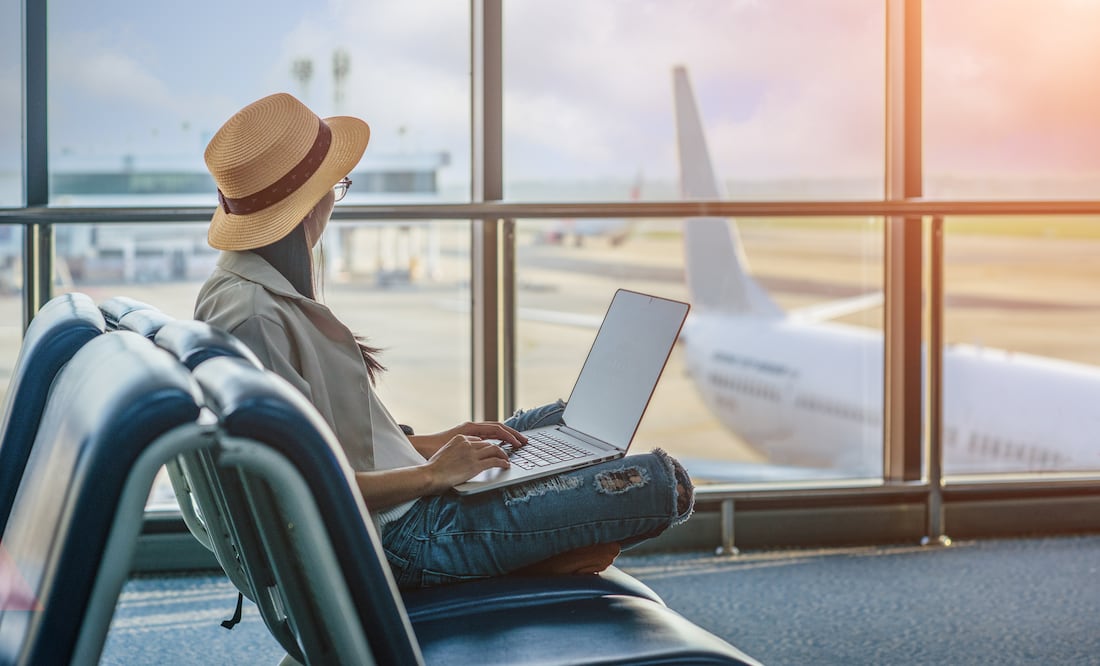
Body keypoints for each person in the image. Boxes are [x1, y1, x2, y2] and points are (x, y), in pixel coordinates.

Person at [194, 92, 695, 589]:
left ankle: (535, 543)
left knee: (566, 421)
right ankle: (526, 559)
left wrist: (438, 443)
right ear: (308, 205)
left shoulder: (248, 291)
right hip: (407, 535)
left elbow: (336, 447)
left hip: (403, 498)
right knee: (664, 482)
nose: (334, 199)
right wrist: (434, 475)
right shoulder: (256, 320)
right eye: (334, 186)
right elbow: (299, 486)